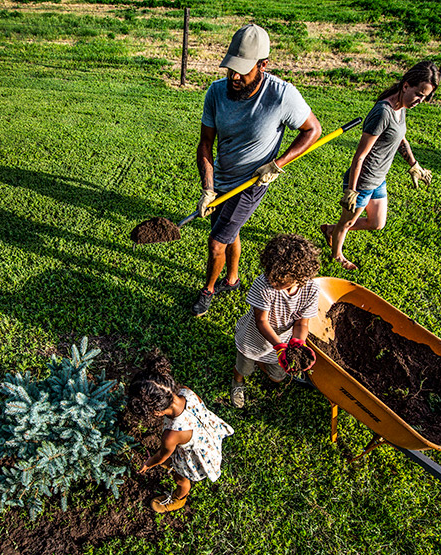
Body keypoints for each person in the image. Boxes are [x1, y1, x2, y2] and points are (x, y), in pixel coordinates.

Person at [191, 24, 322, 317]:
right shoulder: (215, 93)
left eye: (242, 70)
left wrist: (277, 163)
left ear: (263, 64)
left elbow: (313, 130)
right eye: (230, 69)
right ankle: (233, 280)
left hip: (251, 184)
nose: (234, 77)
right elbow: (205, 143)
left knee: (216, 243)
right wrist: (208, 187)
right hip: (222, 179)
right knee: (228, 231)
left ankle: (208, 290)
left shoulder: (282, 95)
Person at [320, 61, 440, 271]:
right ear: (405, 85)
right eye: (419, 94)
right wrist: (352, 190)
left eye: (424, 97)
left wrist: (414, 165)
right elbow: (360, 155)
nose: (420, 100)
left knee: (377, 223)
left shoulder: (401, 107)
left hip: (379, 178)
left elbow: (401, 138)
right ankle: (337, 254)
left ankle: (332, 230)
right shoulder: (382, 113)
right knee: (347, 222)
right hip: (364, 181)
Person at [127, 354, 234, 513]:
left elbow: (163, 455)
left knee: (180, 479)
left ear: (157, 412)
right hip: (206, 433)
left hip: (196, 454)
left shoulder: (172, 435)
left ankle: (179, 498)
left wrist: (149, 463)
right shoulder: (185, 391)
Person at [230, 233, 321, 408]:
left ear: (299, 275)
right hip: (254, 340)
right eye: (270, 274)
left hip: (283, 342)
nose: (272, 280)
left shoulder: (311, 290)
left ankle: (262, 363)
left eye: (279, 279)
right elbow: (261, 321)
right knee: (243, 369)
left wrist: (298, 344)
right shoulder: (264, 284)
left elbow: (302, 323)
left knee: (277, 377)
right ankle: (237, 382)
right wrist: (279, 347)